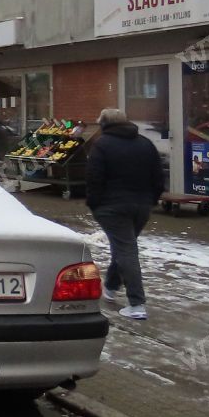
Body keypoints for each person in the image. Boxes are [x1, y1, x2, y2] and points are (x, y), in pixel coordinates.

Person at [85, 108, 165, 320]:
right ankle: (110, 289)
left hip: (112, 207)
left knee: (126, 250)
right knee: (124, 247)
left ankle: (137, 304)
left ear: (104, 124)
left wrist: (94, 204)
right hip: (141, 206)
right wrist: (151, 200)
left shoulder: (101, 145)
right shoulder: (145, 143)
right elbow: (158, 176)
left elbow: (94, 179)